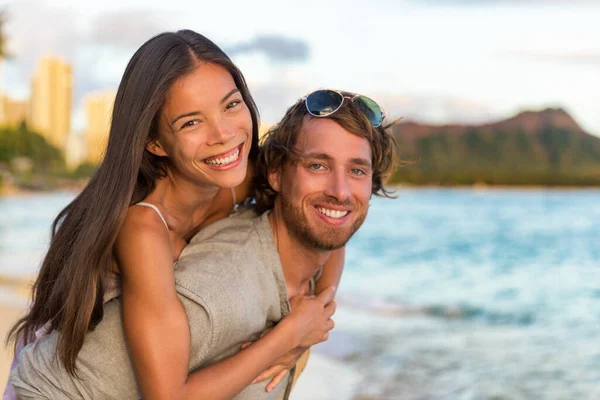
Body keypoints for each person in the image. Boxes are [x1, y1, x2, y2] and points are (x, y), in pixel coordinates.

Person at [4, 31, 344, 400]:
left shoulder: (241, 177)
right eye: (191, 123)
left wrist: (318, 309)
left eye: (230, 105)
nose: (223, 134)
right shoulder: (141, 228)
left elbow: (328, 216)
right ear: (154, 142)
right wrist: (288, 336)